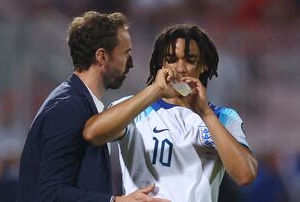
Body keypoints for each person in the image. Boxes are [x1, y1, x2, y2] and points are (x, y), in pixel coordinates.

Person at [83, 24, 258, 202]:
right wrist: (156, 90)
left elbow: (245, 175)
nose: (180, 68)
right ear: (162, 63)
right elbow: (93, 134)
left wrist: (205, 113)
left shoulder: (224, 117)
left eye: (190, 60)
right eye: (172, 59)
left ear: (204, 65)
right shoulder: (136, 110)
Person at [17, 11, 168, 202]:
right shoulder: (69, 107)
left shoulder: (76, 101)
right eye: (126, 53)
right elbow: (49, 194)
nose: (131, 63)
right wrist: (117, 201)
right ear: (102, 57)